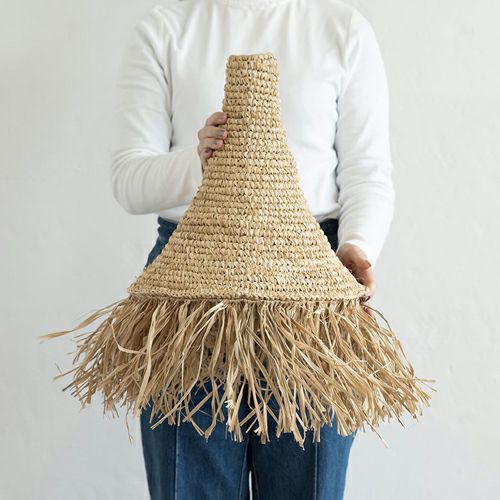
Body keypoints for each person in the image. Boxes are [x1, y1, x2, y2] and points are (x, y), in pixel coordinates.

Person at [110, 0, 395, 498]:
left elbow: (367, 172)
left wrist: (356, 247)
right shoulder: (166, 28)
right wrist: (200, 161)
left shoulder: (341, 29)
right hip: (191, 288)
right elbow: (128, 179)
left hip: (310, 286)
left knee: (307, 484)